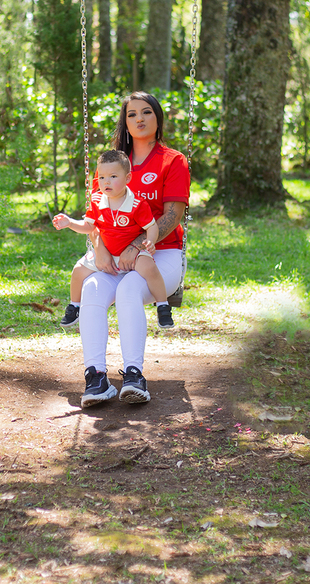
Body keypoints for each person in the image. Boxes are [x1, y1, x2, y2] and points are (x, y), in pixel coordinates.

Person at [72, 92, 190, 407]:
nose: (139, 119)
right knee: (91, 288)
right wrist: (98, 248)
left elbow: (173, 215)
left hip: (161, 255)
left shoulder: (172, 160)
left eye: (146, 112)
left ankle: (134, 374)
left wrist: (137, 246)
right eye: (132, 114)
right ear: (125, 122)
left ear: (158, 118)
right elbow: (96, 216)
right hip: (112, 255)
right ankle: (96, 377)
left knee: (129, 289)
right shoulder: (111, 163)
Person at [52, 149, 173, 329]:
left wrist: (150, 241)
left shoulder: (137, 204)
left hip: (131, 254)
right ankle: (74, 305)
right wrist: (70, 223)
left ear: (128, 178)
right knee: (78, 270)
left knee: (150, 269)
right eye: (101, 177)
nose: (106, 182)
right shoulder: (96, 200)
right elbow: (88, 226)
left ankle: (163, 306)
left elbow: (152, 227)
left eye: (113, 176)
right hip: (107, 253)